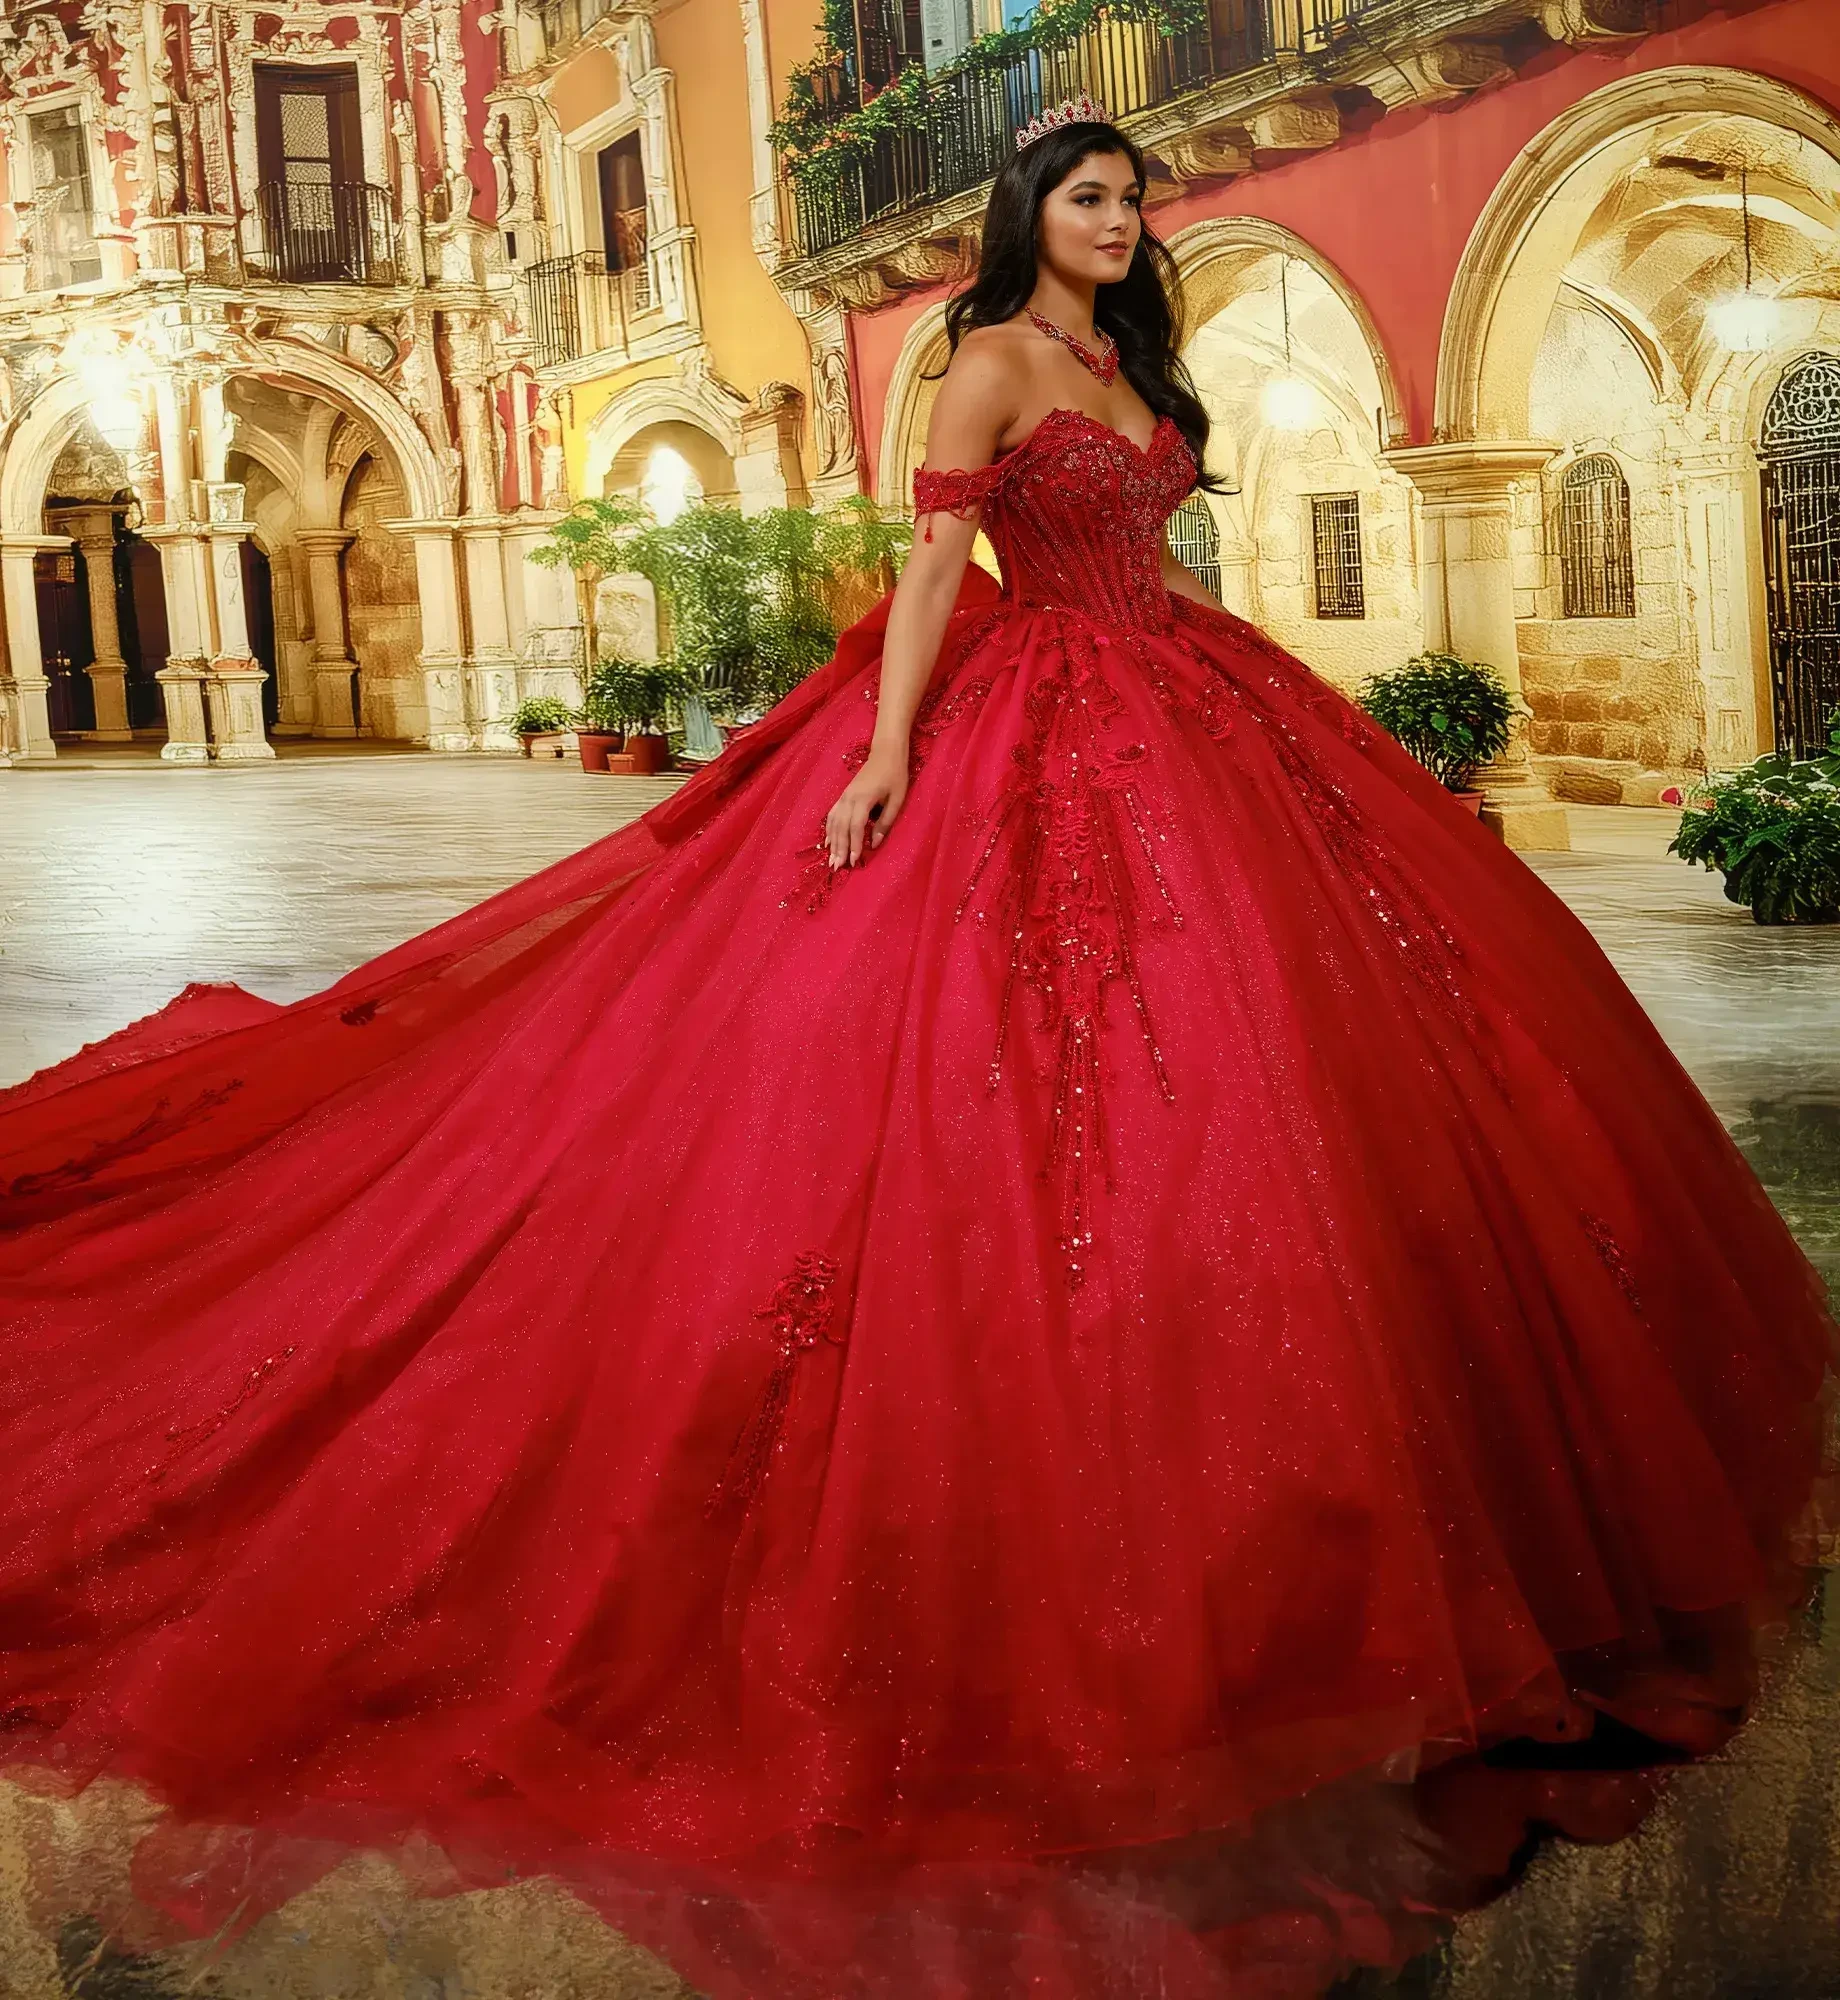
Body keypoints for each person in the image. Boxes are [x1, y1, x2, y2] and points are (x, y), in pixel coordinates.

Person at [0, 102, 1834, 1999]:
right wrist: (885, 752)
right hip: (1031, 714)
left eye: (1132, 196)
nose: (1118, 217)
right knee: (1037, 1062)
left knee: (1299, 1062)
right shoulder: (974, 360)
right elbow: (947, 578)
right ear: (1025, 211)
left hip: (1199, 704)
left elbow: (1162, 556)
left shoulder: (1135, 363)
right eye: (1086, 194)